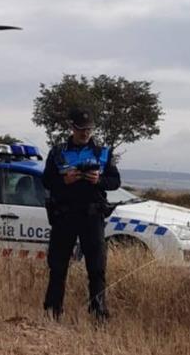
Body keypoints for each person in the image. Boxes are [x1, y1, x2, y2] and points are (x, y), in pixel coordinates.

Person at [42, 107, 121, 322]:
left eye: (89, 129)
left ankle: (98, 314)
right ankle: (52, 311)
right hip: (64, 216)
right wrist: (64, 181)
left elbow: (115, 182)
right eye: (80, 129)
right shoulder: (57, 152)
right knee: (58, 267)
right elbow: (46, 181)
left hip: (92, 216)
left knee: (96, 268)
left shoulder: (103, 152)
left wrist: (99, 180)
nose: (85, 133)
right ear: (72, 128)